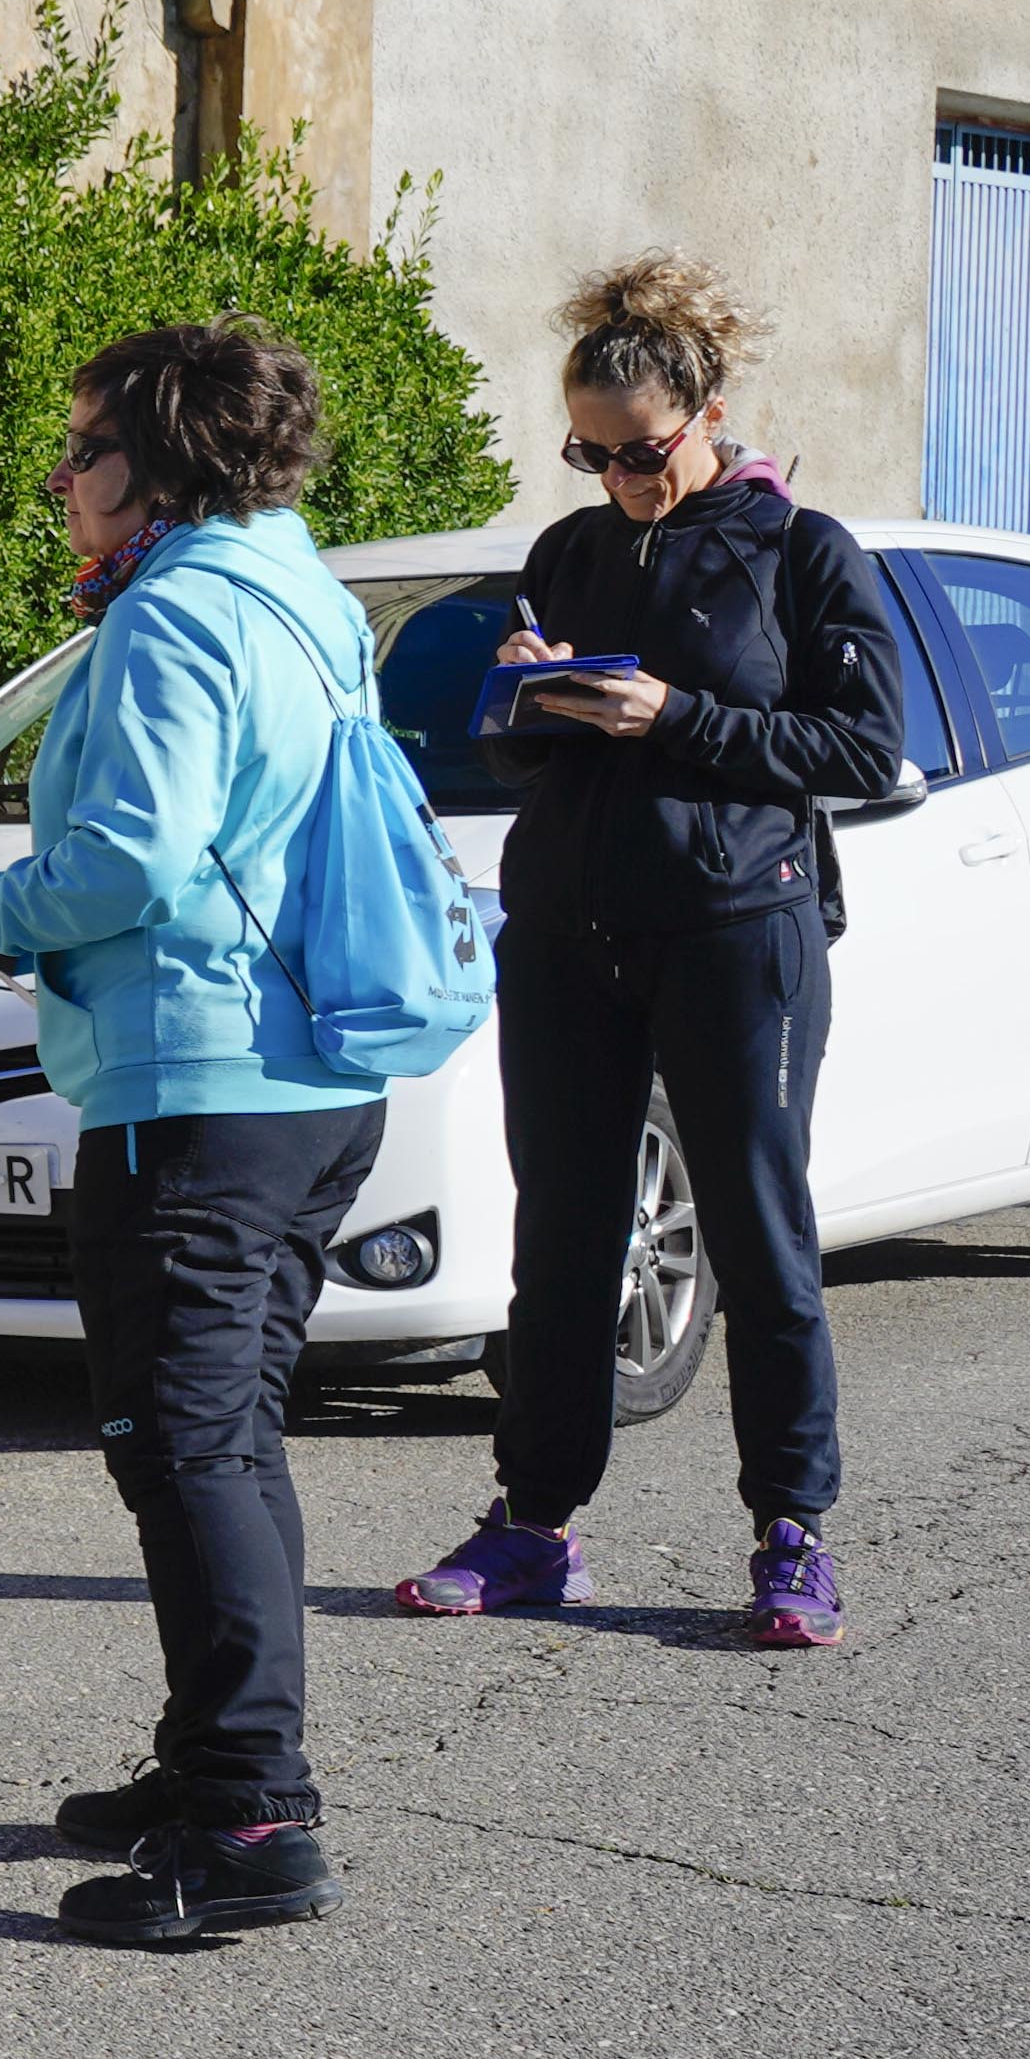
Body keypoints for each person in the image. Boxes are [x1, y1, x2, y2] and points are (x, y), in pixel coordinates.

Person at [0, 323, 417, 1947]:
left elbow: (131, 859)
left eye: (83, 446)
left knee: (187, 1444)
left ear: (165, 460)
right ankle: (217, 1763)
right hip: (299, 1077)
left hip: (198, 1087)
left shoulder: (177, 612)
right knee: (224, 1438)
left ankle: (250, 1815)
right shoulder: (294, 586)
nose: (61, 474)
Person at [399, 256, 900, 1655]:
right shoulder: (567, 550)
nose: (618, 477)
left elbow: (862, 748)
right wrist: (523, 697)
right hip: (565, 928)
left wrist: (671, 714)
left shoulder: (798, 551)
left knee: (757, 1230)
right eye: (589, 453)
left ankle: (791, 1532)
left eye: (640, 451)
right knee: (560, 1234)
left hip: (736, 927)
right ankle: (531, 1521)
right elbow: (515, 750)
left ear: (707, 414)